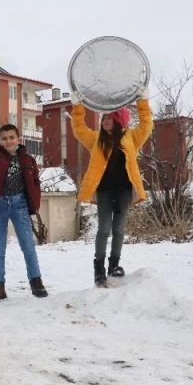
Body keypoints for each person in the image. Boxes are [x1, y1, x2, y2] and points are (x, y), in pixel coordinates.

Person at [70, 89, 153, 287]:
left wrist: (143, 101)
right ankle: (98, 268)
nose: (105, 120)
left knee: (119, 229)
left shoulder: (131, 138)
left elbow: (146, 124)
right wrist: (77, 106)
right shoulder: (96, 139)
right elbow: (79, 128)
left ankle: (114, 265)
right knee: (104, 228)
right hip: (104, 191)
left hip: (124, 191)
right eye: (103, 118)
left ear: (119, 120)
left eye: (109, 117)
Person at [0, 125, 48, 303]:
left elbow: (35, 182)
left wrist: (34, 201)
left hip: (19, 204)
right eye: (4, 138)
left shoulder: (28, 159)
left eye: (11, 137)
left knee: (27, 245)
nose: (8, 141)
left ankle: (36, 282)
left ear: (18, 138)